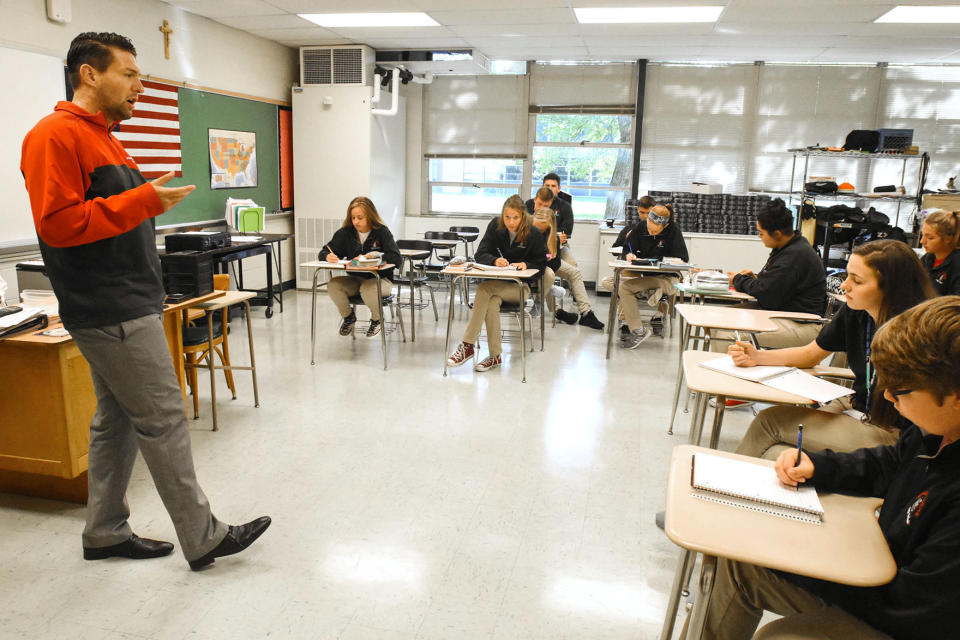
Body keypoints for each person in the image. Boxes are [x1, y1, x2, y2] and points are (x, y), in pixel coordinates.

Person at [20, 32, 269, 570]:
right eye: (129, 74)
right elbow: (59, 226)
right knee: (163, 415)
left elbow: (114, 216)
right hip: (109, 307)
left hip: (132, 300)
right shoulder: (54, 136)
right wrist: (142, 199)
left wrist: (141, 200)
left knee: (116, 420)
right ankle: (203, 536)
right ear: (90, 75)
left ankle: (105, 530)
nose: (140, 84)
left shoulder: (107, 138)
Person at [704, 295, 960, 640]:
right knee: (742, 564)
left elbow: (911, 609)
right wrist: (819, 467)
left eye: (900, 391)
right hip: (879, 577)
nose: (888, 398)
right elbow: (889, 464)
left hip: (906, 616)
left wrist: (806, 567)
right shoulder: (934, 430)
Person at [731, 240, 936, 461]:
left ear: (890, 288)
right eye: (847, 276)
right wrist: (758, 356)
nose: (845, 286)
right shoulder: (857, 311)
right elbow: (811, 354)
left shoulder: (919, 335)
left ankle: (725, 487)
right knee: (778, 453)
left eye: (856, 281)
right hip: (855, 406)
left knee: (769, 422)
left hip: (889, 430)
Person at [708, 198, 827, 358]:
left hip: (801, 323)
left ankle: (729, 380)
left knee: (724, 335)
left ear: (777, 234)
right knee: (717, 321)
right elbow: (776, 285)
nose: (759, 236)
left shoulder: (795, 254)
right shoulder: (789, 247)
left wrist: (738, 279)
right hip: (784, 313)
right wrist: (756, 278)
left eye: (761, 233)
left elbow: (767, 294)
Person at [447, 195, 546, 372]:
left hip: (520, 289)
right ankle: (495, 356)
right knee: (490, 302)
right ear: (502, 216)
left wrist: (527, 265)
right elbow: (480, 253)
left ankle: (467, 345)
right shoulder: (495, 225)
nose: (511, 222)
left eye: (516, 217)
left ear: (523, 216)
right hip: (496, 287)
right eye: (507, 217)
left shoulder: (534, 233)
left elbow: (542, 264)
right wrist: (494, 260)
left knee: (484, 288)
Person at [318, 197, 401, 338]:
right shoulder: (345, 233)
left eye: (360, 218)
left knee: (367, 288)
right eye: (353, 218)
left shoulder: (382, 232)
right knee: (333, 285)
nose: (356, 221)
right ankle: (348, 317)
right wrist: (327, 256)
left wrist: (374, 257)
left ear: (370, 216)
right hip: (356, 280)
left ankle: (377, 319)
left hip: (381, 280)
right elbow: (325, 251)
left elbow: (396, 258)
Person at [527, 191, 605, 330]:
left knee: (573, 271)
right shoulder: (526, 224)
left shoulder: (553, 232)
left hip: (549, 262)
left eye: (546, 205)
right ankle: (556, 310)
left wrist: (547, 258)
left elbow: (555, 260)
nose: (542, 207)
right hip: (533, 265)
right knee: (548, 275)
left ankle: (586, 313)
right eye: (540, 204)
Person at [615, 205, 689, 348]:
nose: (650, 232)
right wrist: (629, 255)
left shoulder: (673, 231)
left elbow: (683, 258)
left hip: (667, 278)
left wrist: (657, 258)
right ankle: (647, 297)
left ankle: (639, 329)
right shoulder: (641, 227)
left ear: (665, 226)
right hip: (646, 276)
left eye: (654, 230)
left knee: (623, 288)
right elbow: (625, 249)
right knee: (613, 282)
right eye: (648, 228)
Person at [919, 209, 960, 296]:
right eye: (922, 235)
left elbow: (955, 304)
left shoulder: (957, 264)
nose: (922, 241)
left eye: (930, 238)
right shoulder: (927, 258)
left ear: (948, 238)